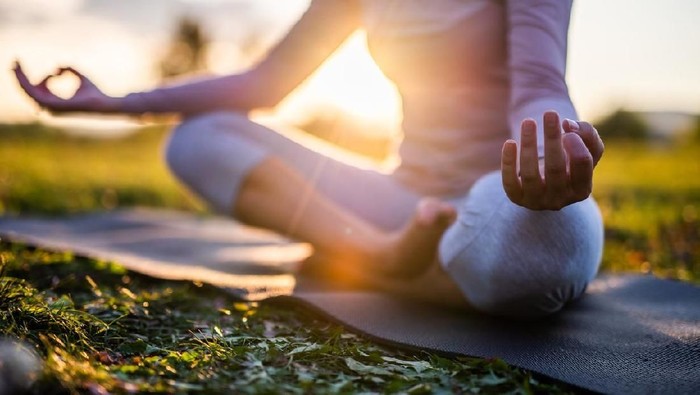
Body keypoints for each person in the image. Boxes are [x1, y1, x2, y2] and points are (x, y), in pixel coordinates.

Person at [14, 0, 605, 318]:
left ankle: (364, 257)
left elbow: (538, 84)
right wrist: (115, 103)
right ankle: (378, 255)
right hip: (402, 199)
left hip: (502, 194)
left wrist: (554, 147)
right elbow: (263, 83)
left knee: (546, 251)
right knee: (198, 139)